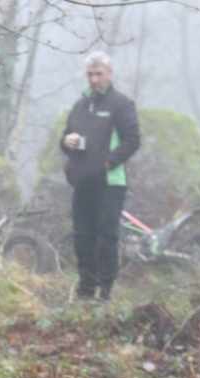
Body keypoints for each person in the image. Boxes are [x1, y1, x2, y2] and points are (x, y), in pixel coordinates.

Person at [60, 52, 140, 301]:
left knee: (106, 237)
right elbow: (65, 138)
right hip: (82, 182)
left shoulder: (121, 104)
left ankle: (105, 292)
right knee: (82, 236)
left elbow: (132, 140)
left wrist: (108, 162)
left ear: (109, 74)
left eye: (99, 74)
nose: (94, 79)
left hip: (110, 183)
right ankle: (85, 289)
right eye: (90, 74)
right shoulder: (81, 105)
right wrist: (66, 140)